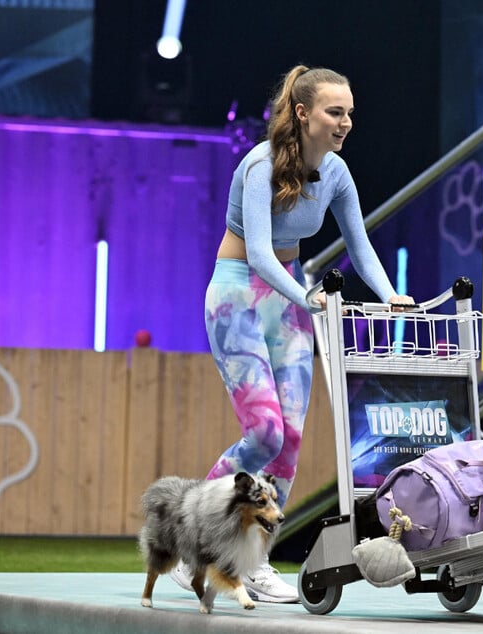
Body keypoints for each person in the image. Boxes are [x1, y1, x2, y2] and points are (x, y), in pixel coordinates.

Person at [169, 65, 413, 603]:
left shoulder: (338, 173)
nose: (346, 121)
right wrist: (307, 296)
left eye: (350, 112)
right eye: (335, 111)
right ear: (303, 114)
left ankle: (253, 560)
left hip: (292, 302)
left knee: (292, 439)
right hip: (237, 297)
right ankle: (193, 542)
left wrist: (389, 292)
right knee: (264, 434)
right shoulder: (260, 164)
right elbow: (257, 253)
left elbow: (360, 245)